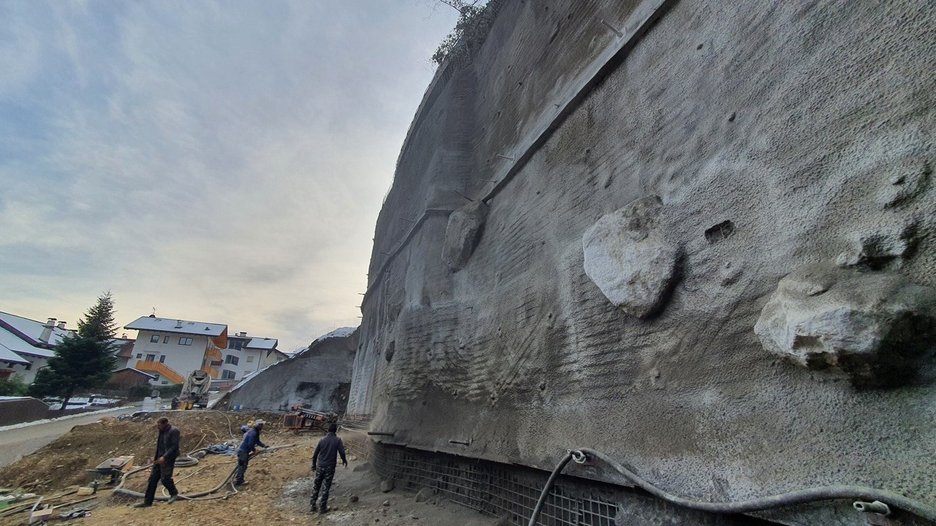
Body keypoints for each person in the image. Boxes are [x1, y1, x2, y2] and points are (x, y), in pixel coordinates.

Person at [134, 417, 180, 508]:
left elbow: (174, 447)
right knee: (152, 480)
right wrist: (155, 458)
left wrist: (165, 457)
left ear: (165, 423)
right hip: (159, 459)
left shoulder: (174, 431)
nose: (157, 427)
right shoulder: (161, 431)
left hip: (168, 459)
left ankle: (174, 493)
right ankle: (147, 502)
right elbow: (160, 446)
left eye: (159, 425)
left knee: (165, 479)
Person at [310, 423, 347, 514]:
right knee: (326, 487)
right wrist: (344, 460)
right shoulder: (337, 440)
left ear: (328, 430)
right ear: (335, 431)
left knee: (316, 486)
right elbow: (342, 452)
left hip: (320, 466)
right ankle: (322, 508)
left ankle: (312, 506)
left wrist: (314, 465)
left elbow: (315, 455)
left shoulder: (322, 440)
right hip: (330, 467)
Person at [234, 419, 268, 486]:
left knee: (242, 465)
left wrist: (264, 446)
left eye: (262, 425)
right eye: (261, 425)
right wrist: (254, 450)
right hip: (243, 451)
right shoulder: (253, 433)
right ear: (258, 425)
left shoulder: (255, 431)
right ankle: (239, 481)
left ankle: (239, 479)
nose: (262, 427)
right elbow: (250, 444)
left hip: (243, 451)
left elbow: (257, 441)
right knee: (243, 466)